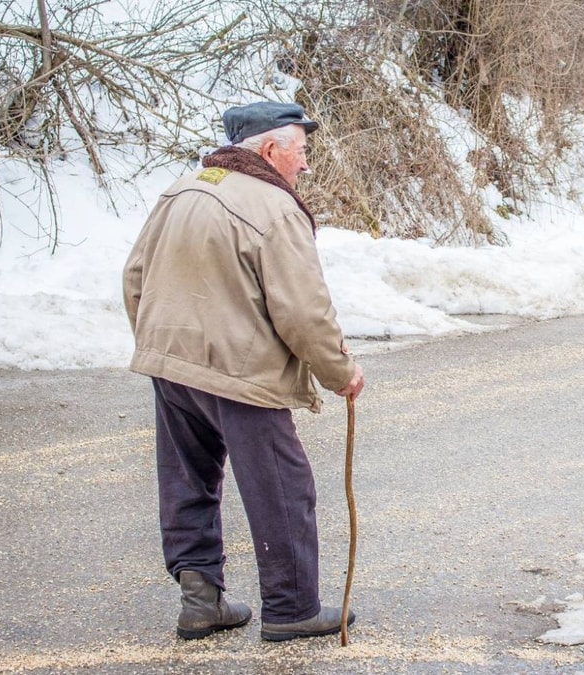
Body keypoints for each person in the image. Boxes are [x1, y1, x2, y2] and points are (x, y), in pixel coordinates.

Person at [122, 101, 365, 642]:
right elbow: (303, 311)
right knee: (282, 486)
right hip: (238, 370)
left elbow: (134, 276)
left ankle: (201, 600)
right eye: (301, 152)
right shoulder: (274, 207)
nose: (304, 166)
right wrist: (339, 371)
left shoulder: (180, 190)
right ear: (272, 149)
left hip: (171, 361)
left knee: (188, 480)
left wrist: (158, 342)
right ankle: (293, 608)